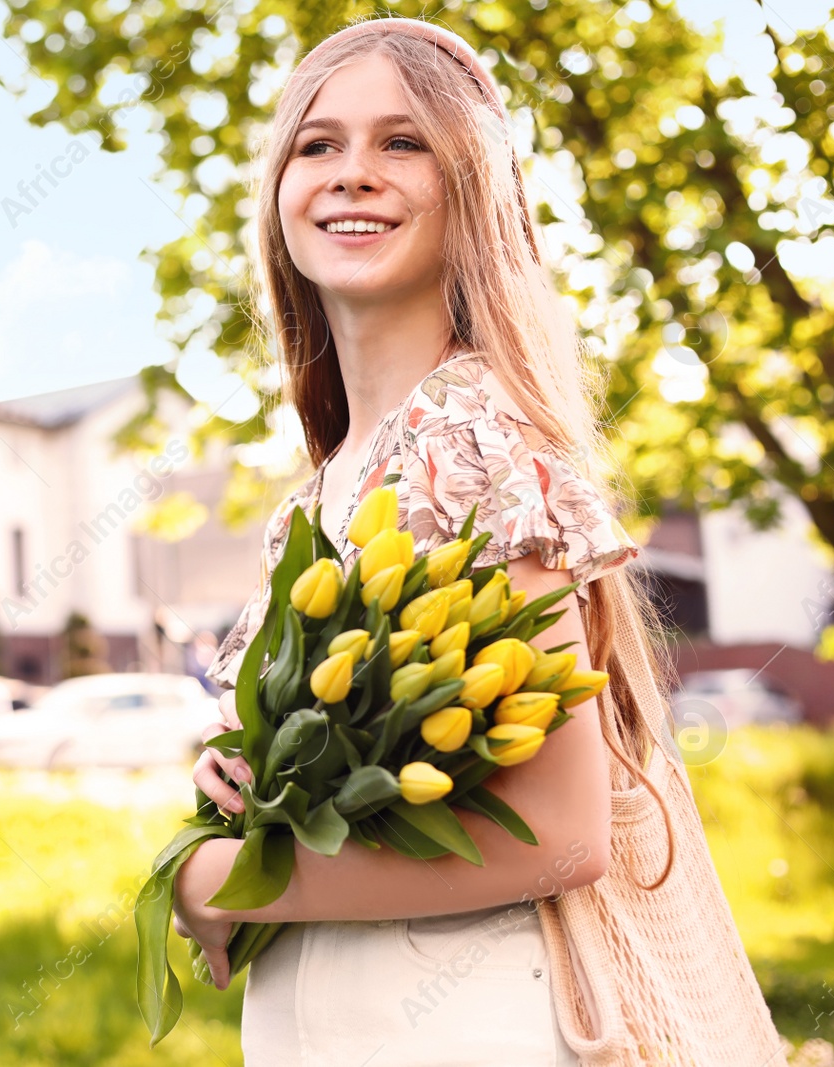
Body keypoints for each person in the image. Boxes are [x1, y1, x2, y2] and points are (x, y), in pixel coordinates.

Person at [168, 16, 784, 1067]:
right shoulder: (322, 489)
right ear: (277, 198)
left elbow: (558, 831)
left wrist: (224, 877)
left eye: (402, 143)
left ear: (473, 195)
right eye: (318, 146)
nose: (353, 174)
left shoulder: (469, 431)